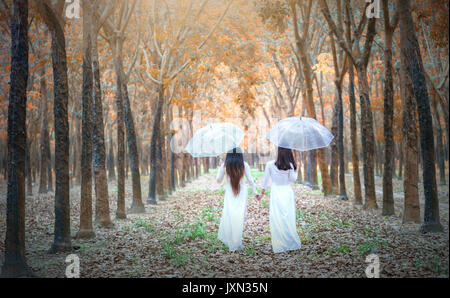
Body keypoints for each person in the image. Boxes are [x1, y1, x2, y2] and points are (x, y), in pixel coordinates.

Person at [256, 147, 301, 253]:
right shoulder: (290, 165)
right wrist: (296, 168)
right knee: (288, 216)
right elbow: (293, 179)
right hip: (287, 191)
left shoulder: (270, 164)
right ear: (288, 152)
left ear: (278, 152)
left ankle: (279, 243)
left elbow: (265, 181)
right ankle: (290, 242)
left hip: (276, 192)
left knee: (277, 217)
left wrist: (261, 194)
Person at [216, 147, 258, 251]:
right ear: (240, 155)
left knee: (230, 216)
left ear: (228, 155)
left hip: (230, 193)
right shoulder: (244, 165)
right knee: (239, 217)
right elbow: (250, 180)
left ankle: (233, 242)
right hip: (242, 194)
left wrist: (220, 167)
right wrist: (255, 192)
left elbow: (218, 180)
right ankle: (236, 242)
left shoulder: (225, 166)